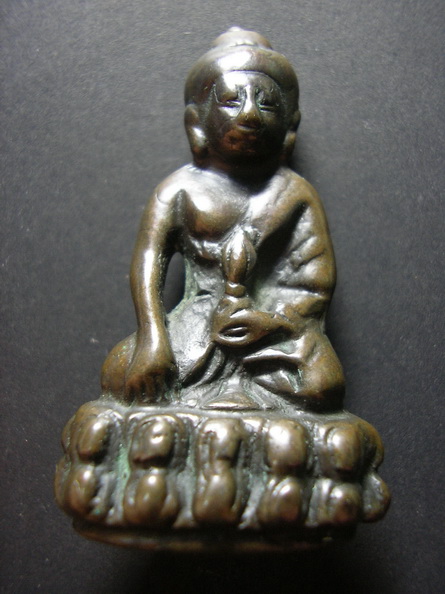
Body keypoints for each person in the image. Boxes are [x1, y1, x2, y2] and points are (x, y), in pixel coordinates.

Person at [101, 27, 344, 411]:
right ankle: (216, 395)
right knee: (121, 369)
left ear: (289, 126)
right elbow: (149, 262)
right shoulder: (178, 190)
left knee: (323, 383)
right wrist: (153, 338)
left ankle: (236, 396)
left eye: (267, 104)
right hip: (194, 329)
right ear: (196, 122)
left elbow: (314, 285)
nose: (249, 114)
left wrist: (272, 322)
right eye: (232, 101)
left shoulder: (296, 195)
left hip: (271, 334)